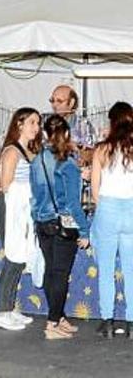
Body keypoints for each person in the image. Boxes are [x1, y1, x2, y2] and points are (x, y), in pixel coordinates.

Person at [30, 114, 90, 339]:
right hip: (63, 224)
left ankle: (57, 316)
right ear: (66, 134)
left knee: (50, 270)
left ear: (45, 133)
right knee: (60, 274)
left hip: (42, 222)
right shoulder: (68, 164)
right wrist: (84, 231)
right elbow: (74, 204)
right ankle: (52, 323)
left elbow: (34, 194)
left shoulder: (37, 160)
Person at [0, 107, 40, 331]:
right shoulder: (12, 152)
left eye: (37, 123)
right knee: (13, 257)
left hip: (22, 208)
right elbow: (6, 185)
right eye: (32, 123)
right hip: (10, 208)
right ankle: (1, 309)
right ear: (19, 124)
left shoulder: (28, 151)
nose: (36, 128)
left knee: (19, 257)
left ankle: (8, 307)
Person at [90, 102, 133, 338]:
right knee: (132, 269)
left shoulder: (101, 150)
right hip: (132, 209)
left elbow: (95, 191)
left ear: (111, 122)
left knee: (105, 268)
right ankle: (132, 322)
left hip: (107, 208)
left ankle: (107, 320)